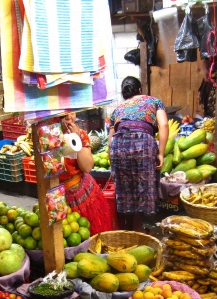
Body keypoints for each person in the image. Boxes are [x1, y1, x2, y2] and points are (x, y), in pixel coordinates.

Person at [108, 76, 169, 231]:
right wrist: (160, 153)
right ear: (140, 90)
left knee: (124, 188)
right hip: (143, 142)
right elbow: (164, 125)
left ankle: (127, 229)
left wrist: (112, 161)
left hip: (118, 144)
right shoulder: (154, 101)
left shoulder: (117, 109)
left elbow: (110, 140)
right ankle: (138, 230)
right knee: (143, 186)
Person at [58, 112, 113, 236]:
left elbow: (87, 167)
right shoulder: (47, 138)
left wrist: (76, 138)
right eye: (62, 113)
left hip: (81, 191)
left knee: (91, 234)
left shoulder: (80, 134)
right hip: (58, 196)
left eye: (71, 112)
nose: (68, 117)